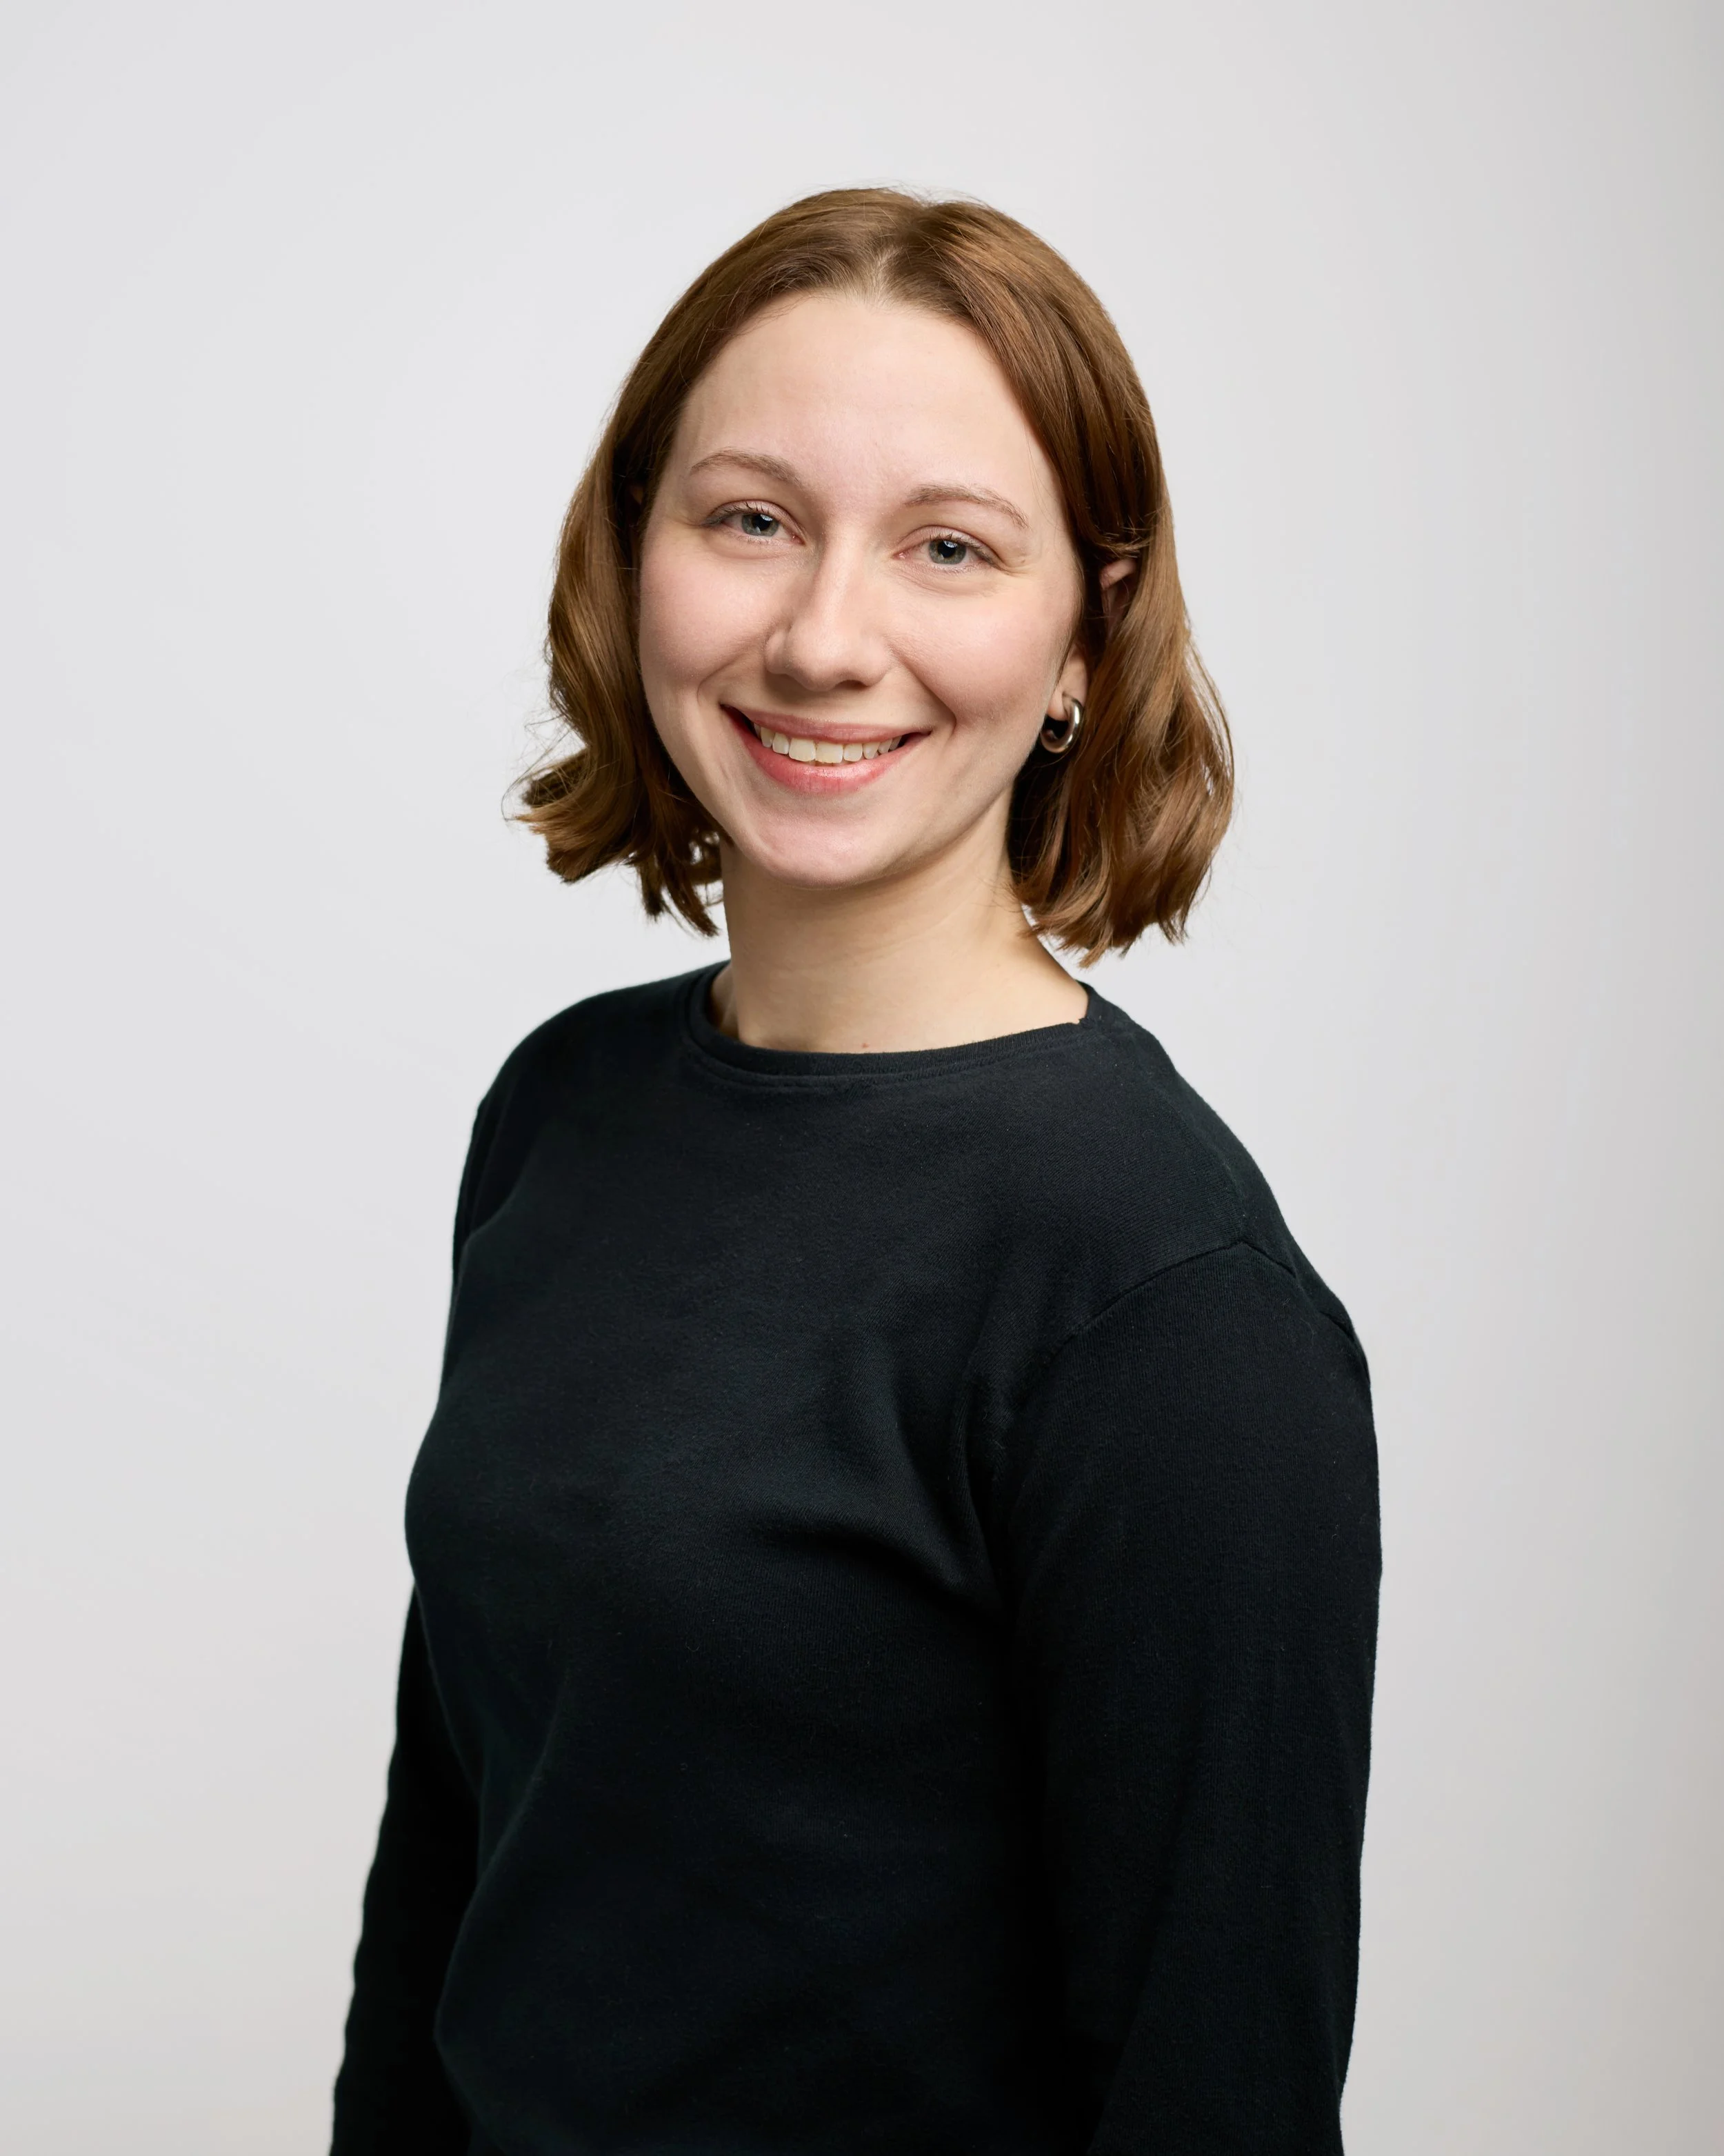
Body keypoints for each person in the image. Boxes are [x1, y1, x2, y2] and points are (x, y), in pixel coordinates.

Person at [331, 188, 1380, 2156]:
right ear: (632, 551)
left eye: (950, 549)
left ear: (1083, 632)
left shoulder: (1165, 1294)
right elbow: (456, 1862)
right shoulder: (559, 1115)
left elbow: (1210, 2095)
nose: (824, 640)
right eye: (748, 519)